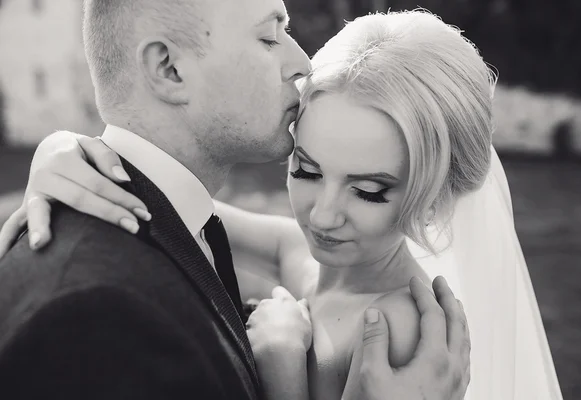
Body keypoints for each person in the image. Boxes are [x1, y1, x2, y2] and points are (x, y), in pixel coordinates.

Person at [0, 2, 471, 400]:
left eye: (368, 190)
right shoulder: (95, 312)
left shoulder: (399, 331)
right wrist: (68, 148)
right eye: (269, 39)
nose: (304, 62)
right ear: (169, 68)